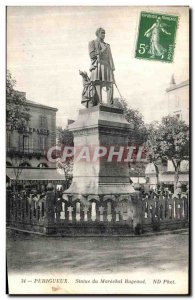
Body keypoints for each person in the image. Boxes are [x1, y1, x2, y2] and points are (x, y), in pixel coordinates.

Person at [88, 27, 115, 104]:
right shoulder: (92, 43)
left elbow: (110, 58)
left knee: (110, 84)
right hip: (98, 65)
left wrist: (112, 69)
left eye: (104, 33)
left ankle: (110, 104)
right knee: (98, 83)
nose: (104, 34)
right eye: (102, 33)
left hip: (107, 66)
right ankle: (99, 103)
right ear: (97, 33)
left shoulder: (107, 45)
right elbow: (92, 55)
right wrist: (102, 50)